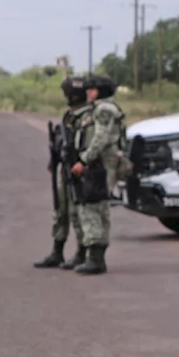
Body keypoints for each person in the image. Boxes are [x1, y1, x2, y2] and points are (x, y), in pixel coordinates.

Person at [69, 75, 123, 275]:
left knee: (91, 207)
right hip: (103, 162)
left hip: (99, 163)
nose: (88, 92)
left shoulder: (103, 110)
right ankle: (96, 257)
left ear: (101, 91)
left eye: (92, 89)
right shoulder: (104, 108)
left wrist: (84, 160)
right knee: (99, 207)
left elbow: (100, 138)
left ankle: (95, 257)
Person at [34, 76, 89, 268]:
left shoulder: (87, 116)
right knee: (60, 210)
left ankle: (82, 252)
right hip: (64, 168)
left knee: (76, 212)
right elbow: (62, 140)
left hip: (79, 170)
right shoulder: (69, 115)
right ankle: (57, 251)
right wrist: (54, 155)